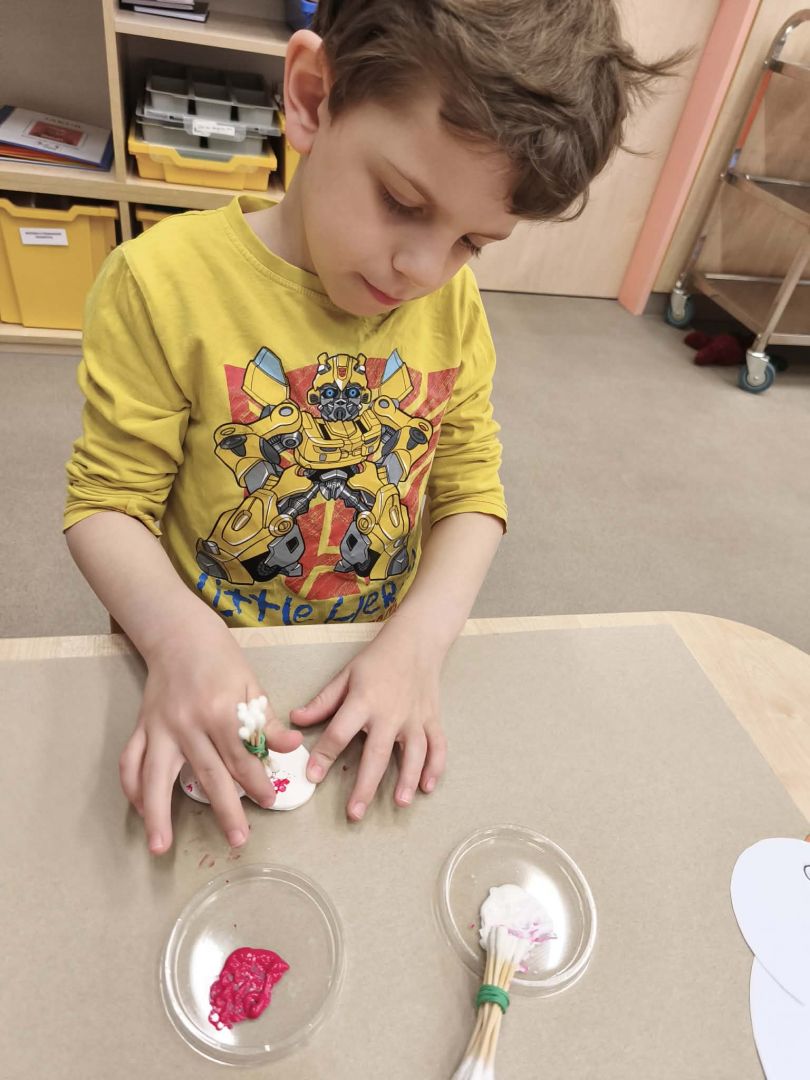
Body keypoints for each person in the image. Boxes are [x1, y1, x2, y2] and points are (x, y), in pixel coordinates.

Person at [65, 0, 677, 854]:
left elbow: (470, 490)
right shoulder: (158, 285)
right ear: (313, 97)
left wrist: (419, 644)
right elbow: (107, 504)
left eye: (473, 242)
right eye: (401, 201)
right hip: (193, 657)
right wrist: (174, 639)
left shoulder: (451, 305)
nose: (425, 269)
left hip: (371, 659)